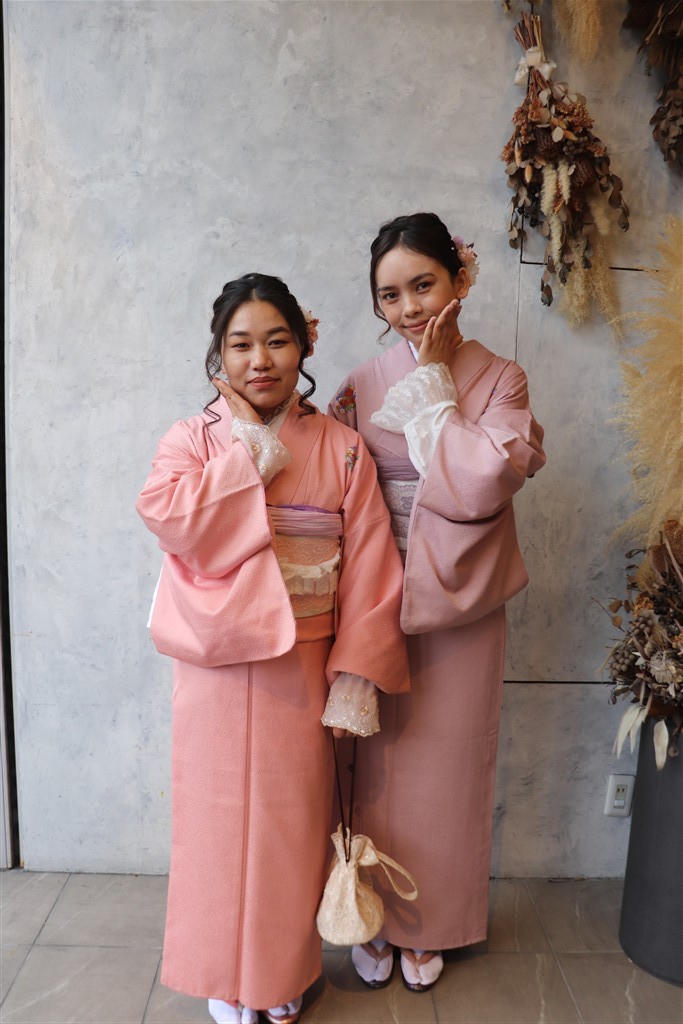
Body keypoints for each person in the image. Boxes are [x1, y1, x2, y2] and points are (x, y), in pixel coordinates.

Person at [136, 273, 409, 1024]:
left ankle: (281, 974)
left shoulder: (343, 448)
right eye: (241, 344)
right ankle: (223, 977)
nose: (260, 359)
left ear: (303, 347)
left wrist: (354, 674)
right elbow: (165, 515)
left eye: (277, 340)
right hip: (215, 665)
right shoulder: (191, 439)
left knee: (291, 823)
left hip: (303, 660)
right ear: (219, 356)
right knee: (214, 825)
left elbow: (371, 567)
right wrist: (246, 457)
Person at [329, 212, 546, 992]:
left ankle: (433, 924)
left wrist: (434, 387)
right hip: (374, 590)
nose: (408, 308)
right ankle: (364, 909)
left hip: (460, 596)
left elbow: (485, 480)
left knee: (446, 766)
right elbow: (337, 483)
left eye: (422, 285)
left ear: (460, 278)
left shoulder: (501, 377)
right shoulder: (361, 383)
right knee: (369, 764)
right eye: (389, 295)